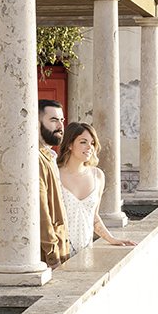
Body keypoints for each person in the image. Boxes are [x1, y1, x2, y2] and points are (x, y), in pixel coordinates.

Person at [54, 122, 134, 248]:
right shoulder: (54, 174)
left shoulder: (98, 176)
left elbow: (93, 217)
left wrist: (112, 239)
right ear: (69, 144)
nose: (89, 147)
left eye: (92, 143)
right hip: (58, 251)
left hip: (86, 249)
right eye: (83, 142)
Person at [36, 99, 71, 267]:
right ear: (36, 123)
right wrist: (52, 256)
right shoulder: (35, 159)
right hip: (48, 256)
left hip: (61, 246)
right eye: (54, 120)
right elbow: (41, 211)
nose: (60, 126)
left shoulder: (49, 155)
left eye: (62, 120)